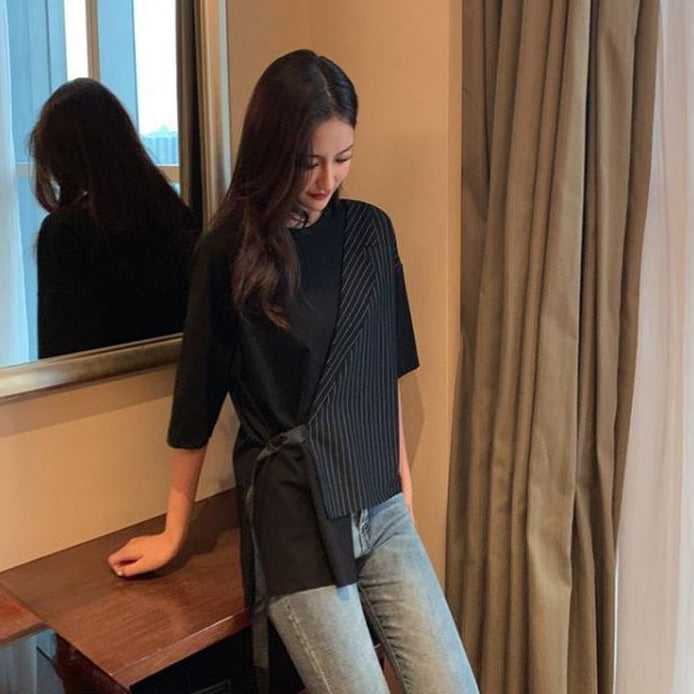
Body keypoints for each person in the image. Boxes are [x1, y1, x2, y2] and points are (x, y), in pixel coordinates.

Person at [108, 49, 479, 694]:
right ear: (272, 149)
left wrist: (401, 488)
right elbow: (196, 400)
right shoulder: (229, 250)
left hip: (378, 506)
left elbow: (379, 372)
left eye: (343, 158)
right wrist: (174, 530)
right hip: (294, 513)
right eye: (310, 162)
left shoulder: (370, 234)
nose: (326, 180)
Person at [31, 77, 198, 358]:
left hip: (106, 387)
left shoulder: (65, 234)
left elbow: (61, 357)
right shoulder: (176, 216)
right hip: (169, 378)